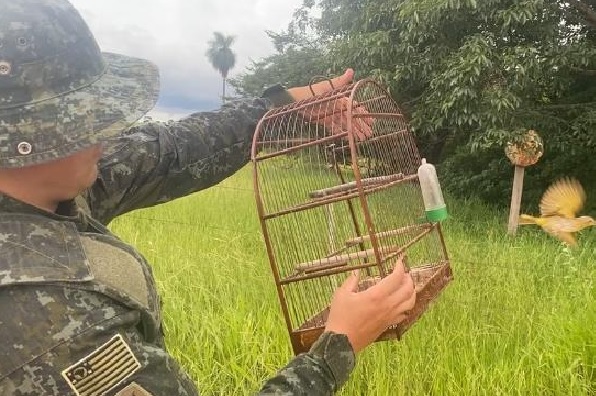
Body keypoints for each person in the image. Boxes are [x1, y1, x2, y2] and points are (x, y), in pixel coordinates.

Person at [0, 0, 416, 395]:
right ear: (28, 139)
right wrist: (335, 349)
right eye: (88, 118)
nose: (108, 134)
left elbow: (171, 151)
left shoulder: (46, 185)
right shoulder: (48, 328)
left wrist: (282, 108)